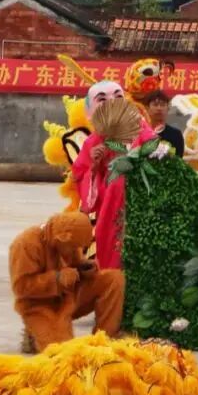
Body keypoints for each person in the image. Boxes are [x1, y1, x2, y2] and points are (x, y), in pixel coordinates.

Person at [10, 210, 124, 351]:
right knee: (63, 353)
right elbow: (21, 288)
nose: (77, 250)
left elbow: (73, 262)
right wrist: (57, 278)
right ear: (62, 238)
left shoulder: (67, 242)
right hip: (40, 306)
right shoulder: (26, 244)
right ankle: (34, 334)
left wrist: (83, 266)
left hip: (68, 296)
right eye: (74, 247)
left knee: (113, 279)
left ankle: (105, 338)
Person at [71, 80, 153, 269]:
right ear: (91, 111)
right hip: (110, 209)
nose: (112, 102)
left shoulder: (141, 130)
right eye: (102, 99)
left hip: (142, 203)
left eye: (118, 96)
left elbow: (157, 154)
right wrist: (94, 166)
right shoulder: (92, 142)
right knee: (111, 254)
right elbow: (80, 175)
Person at [138, 89, 185, 157]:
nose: (159, 108)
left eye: (162, 105)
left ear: (168, 108)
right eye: (155, 104)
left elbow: (179, 159)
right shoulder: (140, 133)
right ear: (147, 108)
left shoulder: (176, 134)